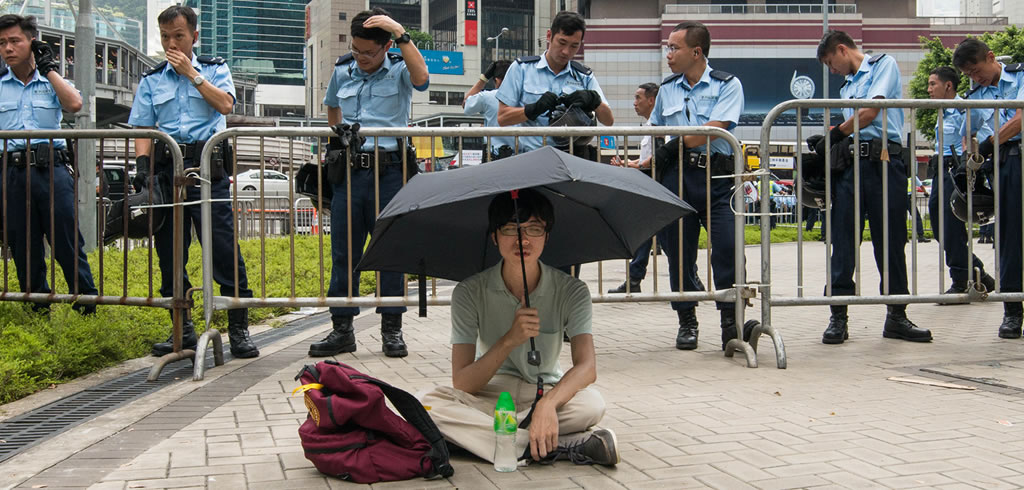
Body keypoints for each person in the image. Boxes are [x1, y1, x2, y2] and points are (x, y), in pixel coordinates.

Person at [420, 188, 618, 467]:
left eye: (534, 229)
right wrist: (509, 340)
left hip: (545, 388)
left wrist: (548, 404)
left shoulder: (572, 290)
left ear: (547, 236)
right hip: (491, 393)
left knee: (592, 405)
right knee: (427, 404)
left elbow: (587, 367)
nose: (523, 239)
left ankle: (495, 437)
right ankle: (555, 445)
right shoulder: (469, 292)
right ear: (494, 236)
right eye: (510, 229)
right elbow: (463, 383)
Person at [128, 5, 258, 358]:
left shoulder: (215, 69)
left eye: (179, 36)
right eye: (165, 37)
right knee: (170, 252)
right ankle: (181, 329)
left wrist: (191, 74)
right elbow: (143, 126)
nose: (171, 43)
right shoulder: (152, 78)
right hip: (167, 172)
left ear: (194, 37)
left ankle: (238, 328)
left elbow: (226, 105)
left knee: (223, 248)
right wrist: (142, 168)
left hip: (207, 170)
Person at [307, 8, 429, 358]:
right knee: (344, 253)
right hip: (350, 174)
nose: (361, 58)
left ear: (386, 46)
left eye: (369, 53)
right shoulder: (343, 69)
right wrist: (338, 136)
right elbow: (332, 106)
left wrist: (400, 32)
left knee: (390, 251)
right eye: (356, 50)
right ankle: (342, 329)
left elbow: (422, 79)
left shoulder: (400, 68)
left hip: (390, 173)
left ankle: (392, 330)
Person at [815, 30, 931, 344]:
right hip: (851, 165)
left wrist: (835, 133)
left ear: (842, 49)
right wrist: (835, 140)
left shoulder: (883, 65)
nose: (832, 70)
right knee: (842, 242)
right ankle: (838, 317)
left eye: (831, 62)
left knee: (890, 241)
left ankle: (897, 316)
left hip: (884, 163)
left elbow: (869, 112)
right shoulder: (847, 85)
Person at [648, 21, 746, 351]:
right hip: (677, 178)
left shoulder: (727, 85)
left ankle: (730, 321)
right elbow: (654, 131)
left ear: (696, 52)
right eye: (668, 48)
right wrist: (644, 163)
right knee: (679, 253)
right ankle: (686, 320)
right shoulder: (667, 88)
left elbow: (715, 128)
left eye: (674, 48)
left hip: (717, 179)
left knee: (728, 248)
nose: (668, 54)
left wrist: (674, 144)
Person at [0, 14, 98, 315]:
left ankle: (87, 305)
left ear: (32, 42)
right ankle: (37, 310)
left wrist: (49, 68)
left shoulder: (50, 80)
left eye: (15, 41)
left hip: (51, 170)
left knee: (66, 240)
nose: (7, 48)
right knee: (23, 245)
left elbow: (74, 104)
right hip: (12, 172)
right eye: (2, 43)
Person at [953, 38, 1024, 338]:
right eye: (968, 74)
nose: (975, 77)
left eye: (976, 70)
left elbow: (1020, 119)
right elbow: (967, 133)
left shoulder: (1020, 77)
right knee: (1008, 238)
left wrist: (989, 142)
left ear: (991, 57)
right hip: (1006, 164)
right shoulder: (977, 95)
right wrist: (969, 159)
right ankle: (1012, 312)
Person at [496, 11, 614, 152]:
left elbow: (608, 120)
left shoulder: (584, 76)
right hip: (532, 156)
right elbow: (502, 118)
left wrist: (594, 101)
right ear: (549, 36)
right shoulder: (522, 69)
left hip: (571, 158)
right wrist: (532, 109)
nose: (566, 51)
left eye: (574, 46)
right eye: (562, 43)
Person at [925, 65, 995, 300]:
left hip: (954, 170)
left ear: (948, 86)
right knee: (939, 228)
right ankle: (978, 273)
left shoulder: (964, 109)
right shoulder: (942, 110)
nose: (929, 89)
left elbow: (978, 136)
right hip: (939, 171)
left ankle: (961, 280)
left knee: (950, 227)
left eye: (933, 84)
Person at [607, 82, 661, 294]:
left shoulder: (659, 124)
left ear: (651, 100)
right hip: (649, 184)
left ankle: (691, 280)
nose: (634, 102)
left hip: (658, 185)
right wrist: (630, 163)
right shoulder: (649, 125)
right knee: (645, 234)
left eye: (638, 97)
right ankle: (634, 279)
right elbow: (648, 157)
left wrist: (637, 165)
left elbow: (660, 155)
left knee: (669, 236)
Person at [463, 60, 513, 160]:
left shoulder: (487, 97)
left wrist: (483, 79)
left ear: (497, 80)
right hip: (521, 156)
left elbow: (465, 104)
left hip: (495, 156)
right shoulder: (525, 97)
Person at [907, 175, 929, 242]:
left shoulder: (900, 173)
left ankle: (903, 237)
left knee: (901, 218)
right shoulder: (913, 176)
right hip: (909, 198)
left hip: (900, 197)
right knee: (916, 217)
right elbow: (921, 186)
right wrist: (925, 192)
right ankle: (921, 236)